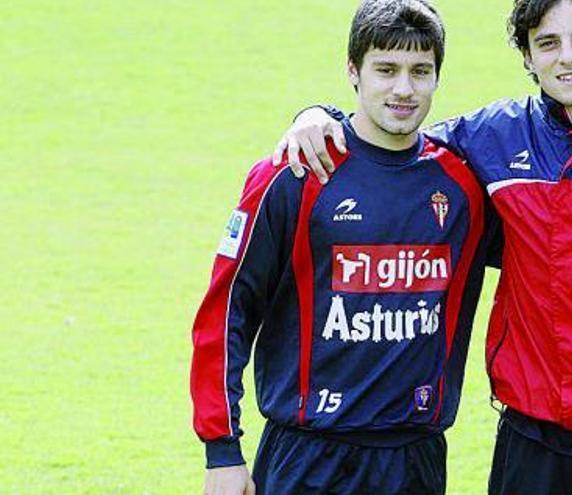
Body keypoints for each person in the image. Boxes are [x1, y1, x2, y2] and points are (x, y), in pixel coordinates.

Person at [271, 0, 572, 494]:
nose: (568, 57)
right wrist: (319, 115)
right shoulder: (496, 135)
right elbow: (395, 137)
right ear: (528, 58)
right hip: (531, 446)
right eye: (547, 43)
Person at [190, 1, 501, 493]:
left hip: (416, 460)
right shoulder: (293, 174)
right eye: (386, 69)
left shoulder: (465, 186)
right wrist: (222, 450)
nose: (404, 88)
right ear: (353, 71)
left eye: (421, 71)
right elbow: (227, 312)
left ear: (438, 77)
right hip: (306, 459)